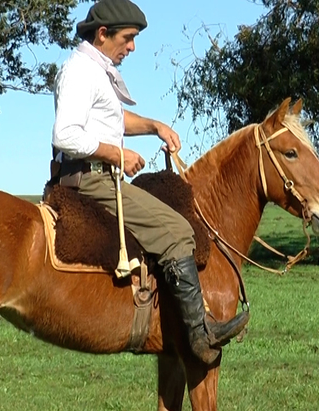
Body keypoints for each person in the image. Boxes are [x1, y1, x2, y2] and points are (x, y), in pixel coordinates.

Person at [50, 0, 247, 365]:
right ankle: (199, 334)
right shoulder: (79, 71)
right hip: (89, 181)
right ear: (103, 33)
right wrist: (116, 155)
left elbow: (113, 119)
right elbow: (66, 134)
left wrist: (154, 126)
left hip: (100, 176)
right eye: (128, 38)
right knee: (176, 229)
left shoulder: (96, 70)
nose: (132, 47)